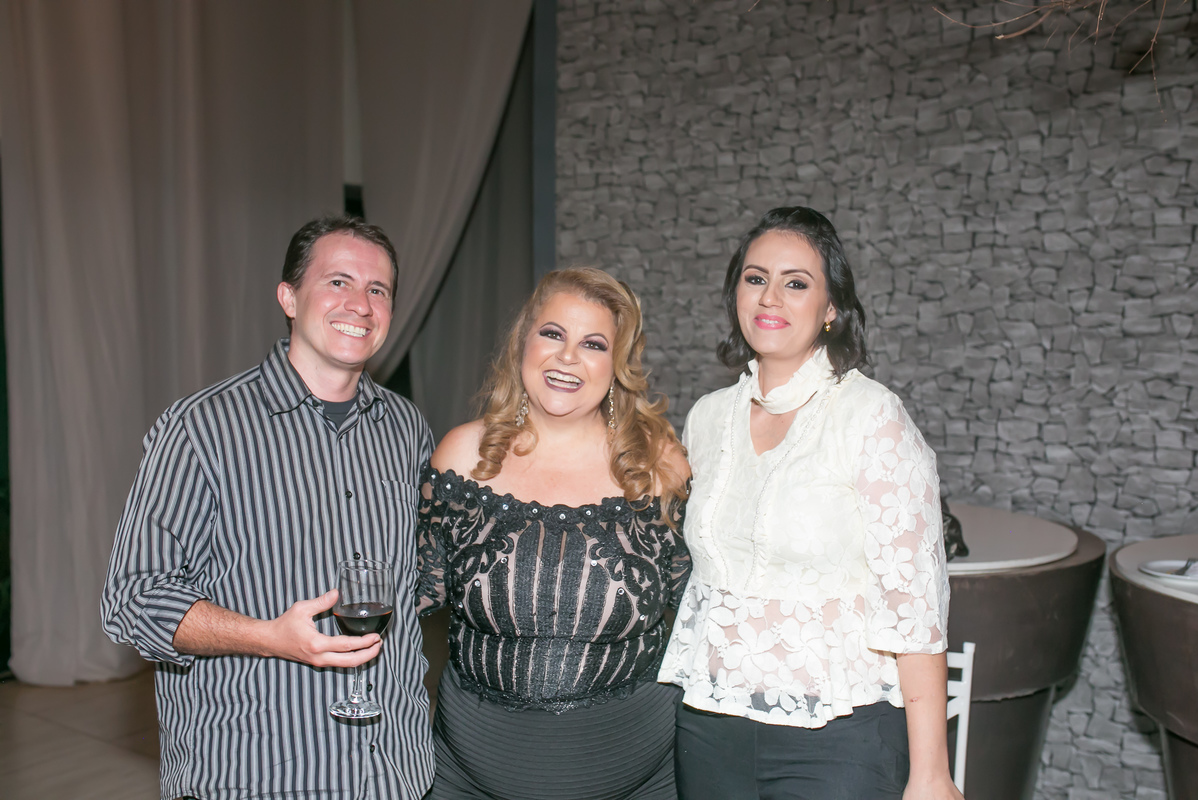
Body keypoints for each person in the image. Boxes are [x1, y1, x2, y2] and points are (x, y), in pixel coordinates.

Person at [102, 216, 435, 800]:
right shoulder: (200, 429)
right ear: (289, 298)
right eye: (338, 281)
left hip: (394, 771)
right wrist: (267, 636)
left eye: (378, 290)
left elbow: (418, 582)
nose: (360, 305)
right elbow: (133, 598)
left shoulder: (406, 429)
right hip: (258, 772)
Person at [659, 207, 962, 800]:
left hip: (839, 734)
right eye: (755, 278)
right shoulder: (707, 418)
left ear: (831, 309)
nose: (770, 296)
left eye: (795, 283)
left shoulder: (871, 416)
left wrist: (931, 774)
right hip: (710, 726)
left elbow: (915, 609)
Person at [416, 267, 691, 800]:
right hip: (466, 775)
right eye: (552, 334)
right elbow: (416, 596)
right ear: (524, 342)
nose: (567, 357)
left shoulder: (660, 467)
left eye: (593, 344)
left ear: (616, 364)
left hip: (640, 777)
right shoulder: (461, 456)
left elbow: (700, 612)